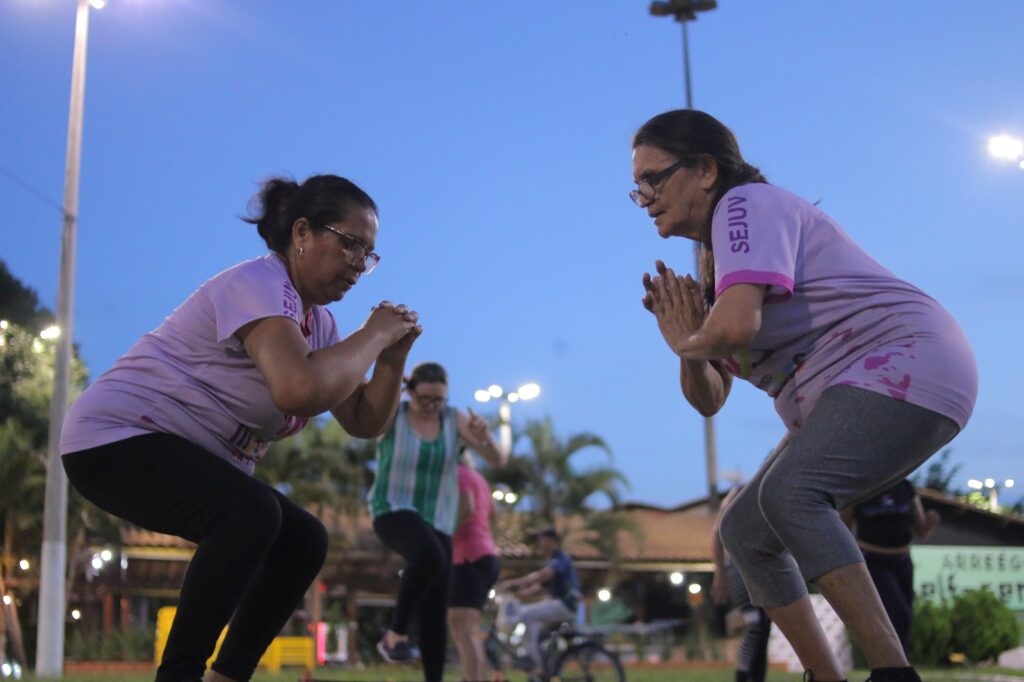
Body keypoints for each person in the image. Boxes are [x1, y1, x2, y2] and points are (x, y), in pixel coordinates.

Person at [631, 109, 977, 682]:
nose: (643, 196)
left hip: (908, 359)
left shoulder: (746, 206)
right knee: (744, 528)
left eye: (654, 178)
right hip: (862, 383)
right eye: (636, 185)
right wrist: (687, 346)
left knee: (793, 493)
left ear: (706, 170)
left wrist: (690, 335)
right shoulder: (717, 264)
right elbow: (709, 397)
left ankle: (894, 674)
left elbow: (736, 329)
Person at [60, 174, 421, 682]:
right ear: (302, 233)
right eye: (351, 244)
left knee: (303, 540)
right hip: (115, 439)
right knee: (251, 513)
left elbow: (363, 421)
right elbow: (297, 390)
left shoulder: (321, 326)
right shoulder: (258, 284)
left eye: (370, 253)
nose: (361, 265)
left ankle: (227, 676)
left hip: (176, 450)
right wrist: (374, 332)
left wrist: (389, 360)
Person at [369, 361, 507, 682]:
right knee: (430, 555)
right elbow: (362, 418)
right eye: (425, 399)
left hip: (440, 520)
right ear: (410, 391)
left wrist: (485, 437)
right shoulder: (395, 414)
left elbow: (498, 459)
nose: (432, 406)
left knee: (435, 610)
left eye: (439, 399)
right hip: (391, 507)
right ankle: (395, 635)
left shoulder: (452, 418)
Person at [842, 479, 940, 657]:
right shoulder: (859, 487)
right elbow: (843, 529)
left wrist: (930, 523)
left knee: (906, 613)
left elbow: (921, 530)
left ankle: (900, 661)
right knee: (896, 612)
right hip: (873, 559)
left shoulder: (905, 487)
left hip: (902, 560)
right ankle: (891, 663)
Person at [496, 527, 581, 678]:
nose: (539, 543)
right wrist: (520, 593)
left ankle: (536, 664)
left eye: (542, 539)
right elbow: (541, 586)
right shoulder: (552, 560)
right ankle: (541, 667)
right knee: (530, 619)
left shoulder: (560, 558)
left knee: (527, 614)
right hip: (559, 603)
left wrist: (515, 582)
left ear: (552, 541)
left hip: (565, 604)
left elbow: (544, 575)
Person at [448, 447, 502, 682]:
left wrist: (443, 533)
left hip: (468, 556)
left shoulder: (457, 474)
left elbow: (467, 507)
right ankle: (475, 677)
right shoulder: (479, 479)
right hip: (485, 554)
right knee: (468, 628)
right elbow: (493, 515)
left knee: (462, 627)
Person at [711, 486, 772, 682]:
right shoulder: (736, 496)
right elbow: (716, 535)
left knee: (764, 625)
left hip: (755, 568)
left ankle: (757, 676)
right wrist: (720, 574)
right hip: (737, 568)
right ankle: (742, 673)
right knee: (755, 623)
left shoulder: (761, 497)